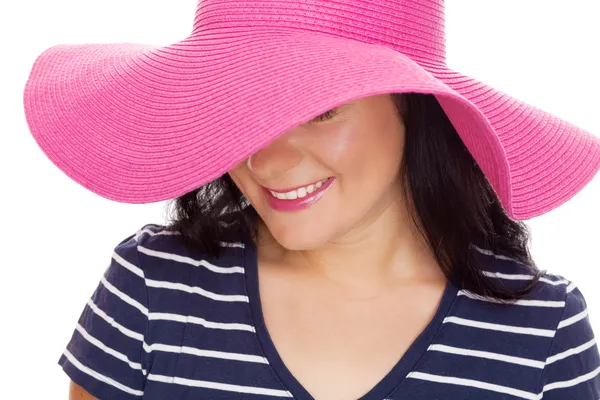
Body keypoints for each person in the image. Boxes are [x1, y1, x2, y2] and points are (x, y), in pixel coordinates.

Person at [23, 1, 600, 399]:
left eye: (320, 109)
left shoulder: (541, 333)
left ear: (412, 103)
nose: (266, 161)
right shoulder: (154, 287)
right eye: (241, 105)